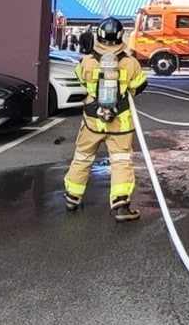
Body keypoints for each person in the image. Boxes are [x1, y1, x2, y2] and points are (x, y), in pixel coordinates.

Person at [63, 16, 148, 222]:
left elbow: (80, 78)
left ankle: (72, 197)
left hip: (92, 121)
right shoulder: (130, 63)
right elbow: (141, 84)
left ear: (98, 36)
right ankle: (120, 205)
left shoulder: (87, 61)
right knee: (121, 161)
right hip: (120, 123)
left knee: (82, 157)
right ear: (120, 36)